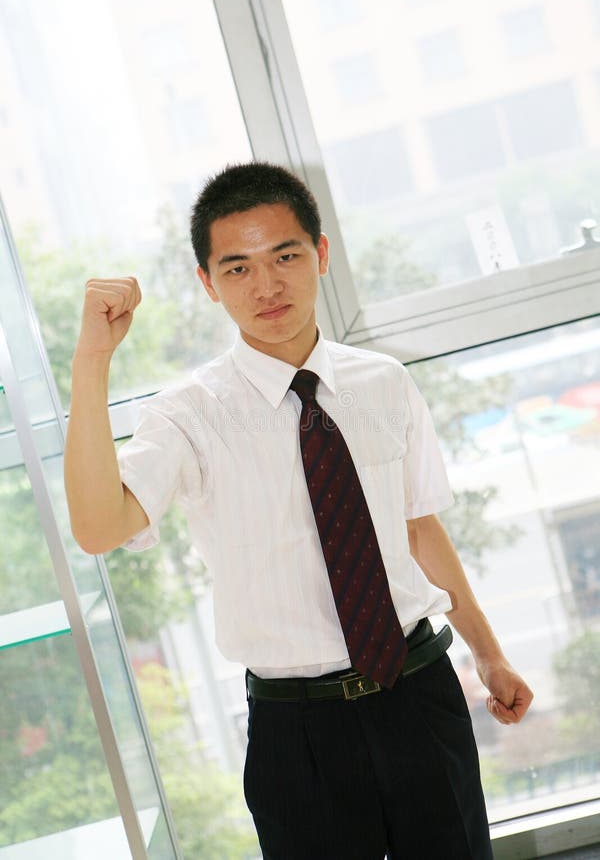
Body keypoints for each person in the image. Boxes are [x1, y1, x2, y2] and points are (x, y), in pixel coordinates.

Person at [64, 161, 533, 859]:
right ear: (208, 284)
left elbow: (418, 526)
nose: (267, 285)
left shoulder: (383, 383)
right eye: (238, 268)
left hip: (420, 693)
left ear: (320, 253)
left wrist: (489, 655)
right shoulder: (188, 416)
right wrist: (92, 360)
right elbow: (99, 528)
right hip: (297, 731)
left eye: (284, 256)